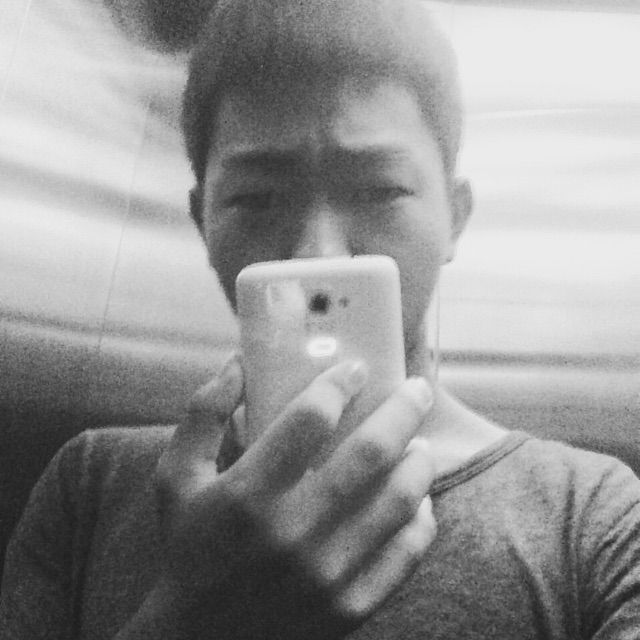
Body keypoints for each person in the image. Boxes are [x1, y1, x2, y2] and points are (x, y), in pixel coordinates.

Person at [2, 0, 640, 638]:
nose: (319, 256)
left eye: (380, 190)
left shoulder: (590, 517)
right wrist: (192, 619)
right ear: (202, 222)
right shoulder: (91, 483)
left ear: (455, 217)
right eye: (256, 197)